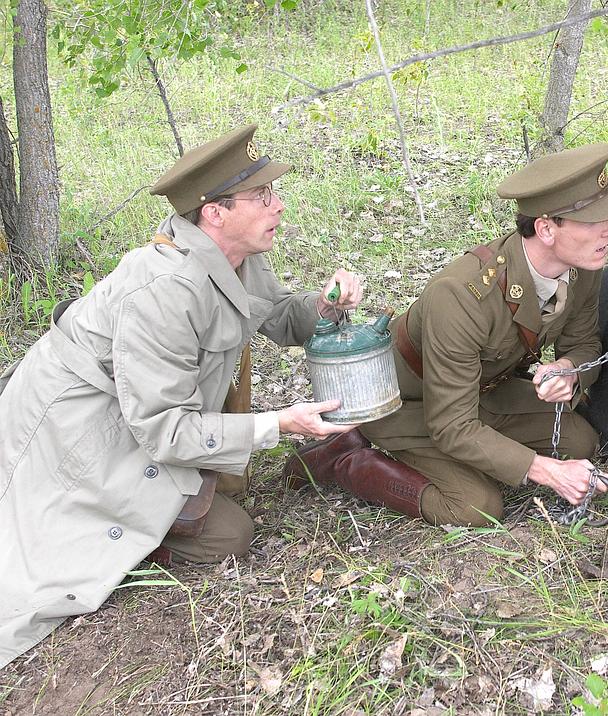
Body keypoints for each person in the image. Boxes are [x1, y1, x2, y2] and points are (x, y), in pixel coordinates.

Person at [0, 124, 363, 668]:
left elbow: (279, 316)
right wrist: (278, 425)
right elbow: (165, 431)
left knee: (228, 515)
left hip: (145, 415)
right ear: (214, 212)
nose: (279, 206)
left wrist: (326, 306)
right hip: (83, 428)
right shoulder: (164, 289)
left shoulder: (239, 253)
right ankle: (125, 537)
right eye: (262, 196)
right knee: (226, 537)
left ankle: (157, 514)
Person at [282, 143, 608, 526]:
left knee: (580, 441)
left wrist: (568, 368)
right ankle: (347, 457)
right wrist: (547, 471)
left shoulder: (583, 265)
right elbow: (451, 425)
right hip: (407, 403)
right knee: (476, 505)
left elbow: (584, 344)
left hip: (481, 390)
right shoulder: (461, 295)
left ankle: (457, 458)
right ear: (547, 228)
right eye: (595, 221)